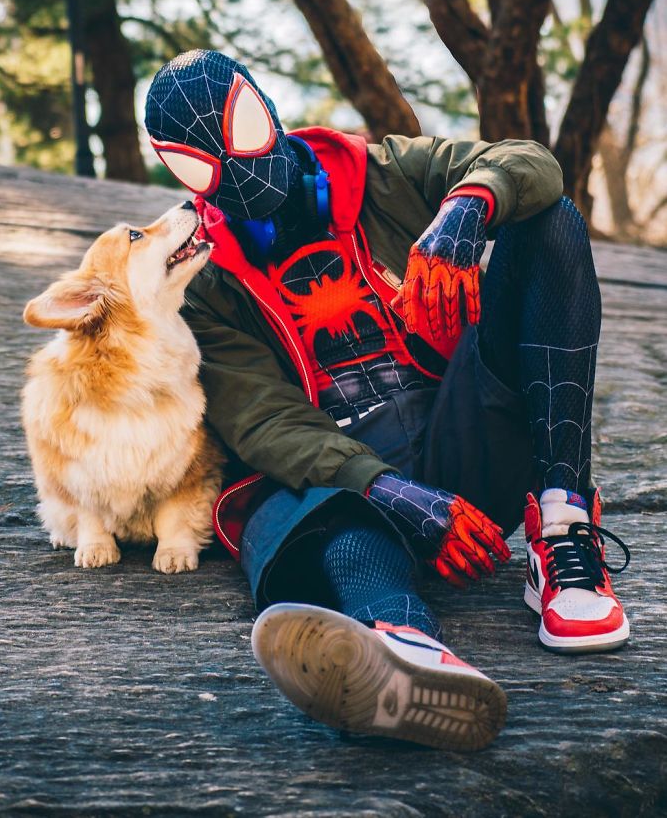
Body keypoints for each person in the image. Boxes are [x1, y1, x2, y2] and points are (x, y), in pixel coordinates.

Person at [144, 49, 630, 752]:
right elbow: (266, 420)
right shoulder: (205, 280)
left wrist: (470, 205)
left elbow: (530, 162)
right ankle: (403, 650)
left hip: (462, 441)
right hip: (347, 479)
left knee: (551, 221)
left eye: (242, 126)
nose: (236, 168)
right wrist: (388, 488)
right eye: (200, 165)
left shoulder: (381, 170)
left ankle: (561, 529)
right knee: (309, 505)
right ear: (175, 170)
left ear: (266, 105)